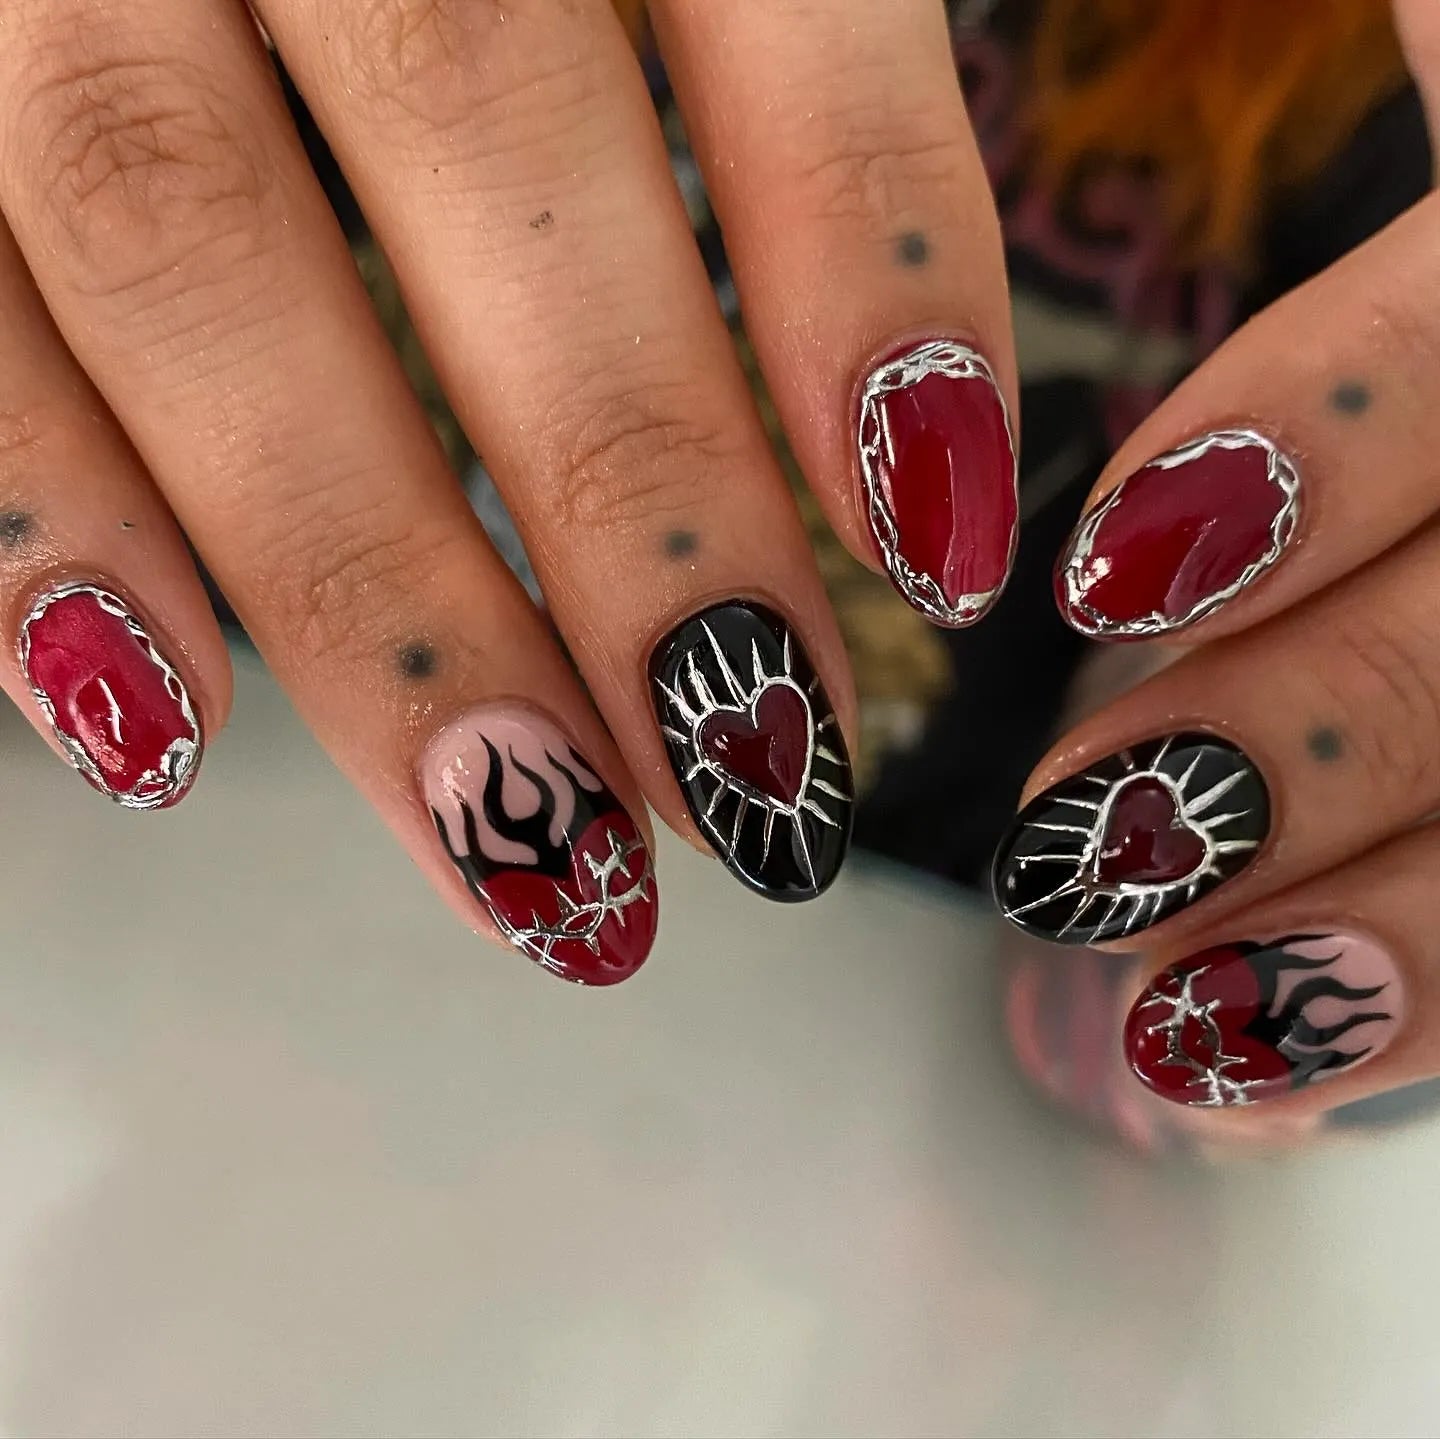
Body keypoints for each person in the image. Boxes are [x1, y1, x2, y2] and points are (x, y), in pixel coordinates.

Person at [0, 0, 1435, 1146]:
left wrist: (1334, 846)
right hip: (121, 1019)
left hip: (808, 1135)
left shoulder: (1367, 107)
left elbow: (1298, 797)